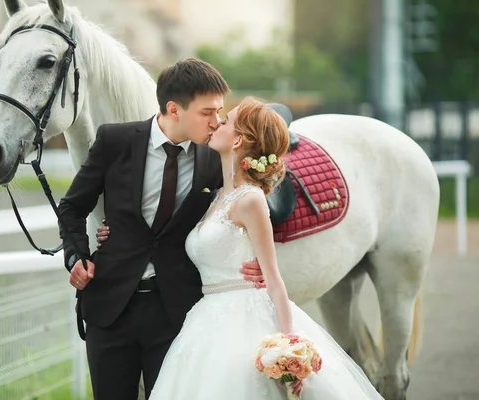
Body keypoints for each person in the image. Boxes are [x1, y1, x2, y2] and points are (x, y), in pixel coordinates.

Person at [148, 97, 384, 399]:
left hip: (245, 319)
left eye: (227, 120)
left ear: (239, 141)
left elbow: (274, 280)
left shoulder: (251, 200)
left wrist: (291, 350)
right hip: (205, 322)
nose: (217, 122)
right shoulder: (217, 196)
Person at [57, 58, 265, 400]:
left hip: (177, 313)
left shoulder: (216, 157)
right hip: (109, 308)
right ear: (174, 108)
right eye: (207, 112)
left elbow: (247, 205)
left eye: (219, 112)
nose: (216, 122)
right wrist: (77, 256)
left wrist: (253, 259)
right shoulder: (115, 141)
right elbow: (72, 207)